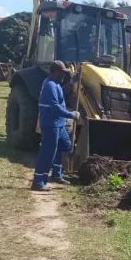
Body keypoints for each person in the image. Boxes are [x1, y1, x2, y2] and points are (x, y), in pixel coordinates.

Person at [32, 60, 80, 191]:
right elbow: (55, 109)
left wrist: (71, 83)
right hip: (50, 124)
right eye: (61, 72)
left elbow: (61, 94)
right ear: (53, 72)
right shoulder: (49, 86)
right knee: (48, 153)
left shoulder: (56, 84)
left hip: (59, 124)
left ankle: (57, 175)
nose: (63, 75)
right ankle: (38, 182)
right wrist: (72, 115)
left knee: (66, 145)